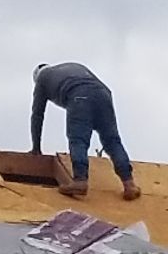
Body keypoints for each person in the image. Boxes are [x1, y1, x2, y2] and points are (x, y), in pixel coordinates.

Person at [30, 63, 140, 201]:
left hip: (79, 96)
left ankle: (80, 181)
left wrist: (36, 147)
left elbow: (37, 115)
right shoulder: (70, 66)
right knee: (111, 140)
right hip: (103, 94)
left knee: (78, 139)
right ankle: (129, 184)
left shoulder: (42, 78)